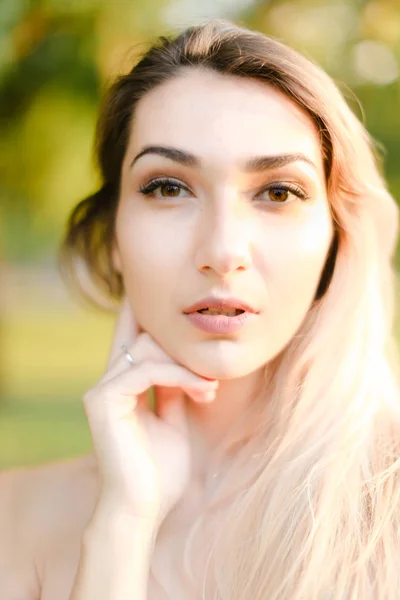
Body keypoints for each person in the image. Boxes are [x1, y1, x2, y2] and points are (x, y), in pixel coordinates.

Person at [1, 17, 400, 600]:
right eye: (168, 187)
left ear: (339, 236)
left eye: (278, 192)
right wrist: (122, 525)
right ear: (113, 233)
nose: (221, 251)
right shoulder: (14, 519)